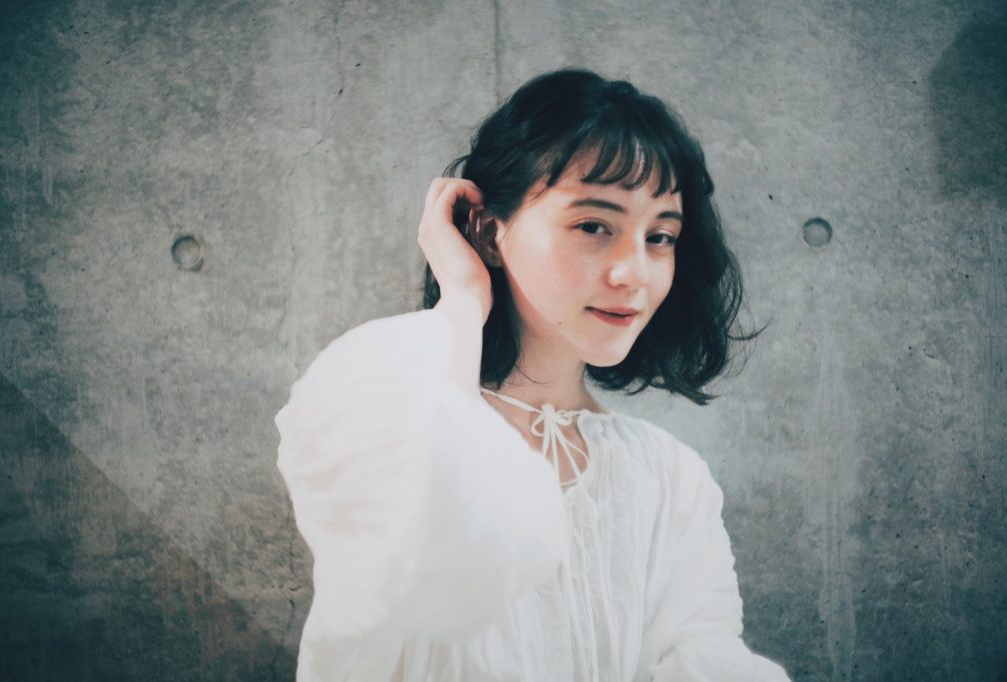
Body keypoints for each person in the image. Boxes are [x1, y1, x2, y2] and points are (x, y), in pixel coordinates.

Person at [274, 68, 790, 681]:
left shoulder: (671, 476)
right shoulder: (388, 404)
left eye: (660, 236)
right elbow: (413, 552)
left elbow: (706, 661)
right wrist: (463, 296)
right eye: (594, 226)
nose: (634, 273)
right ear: (489, 231)